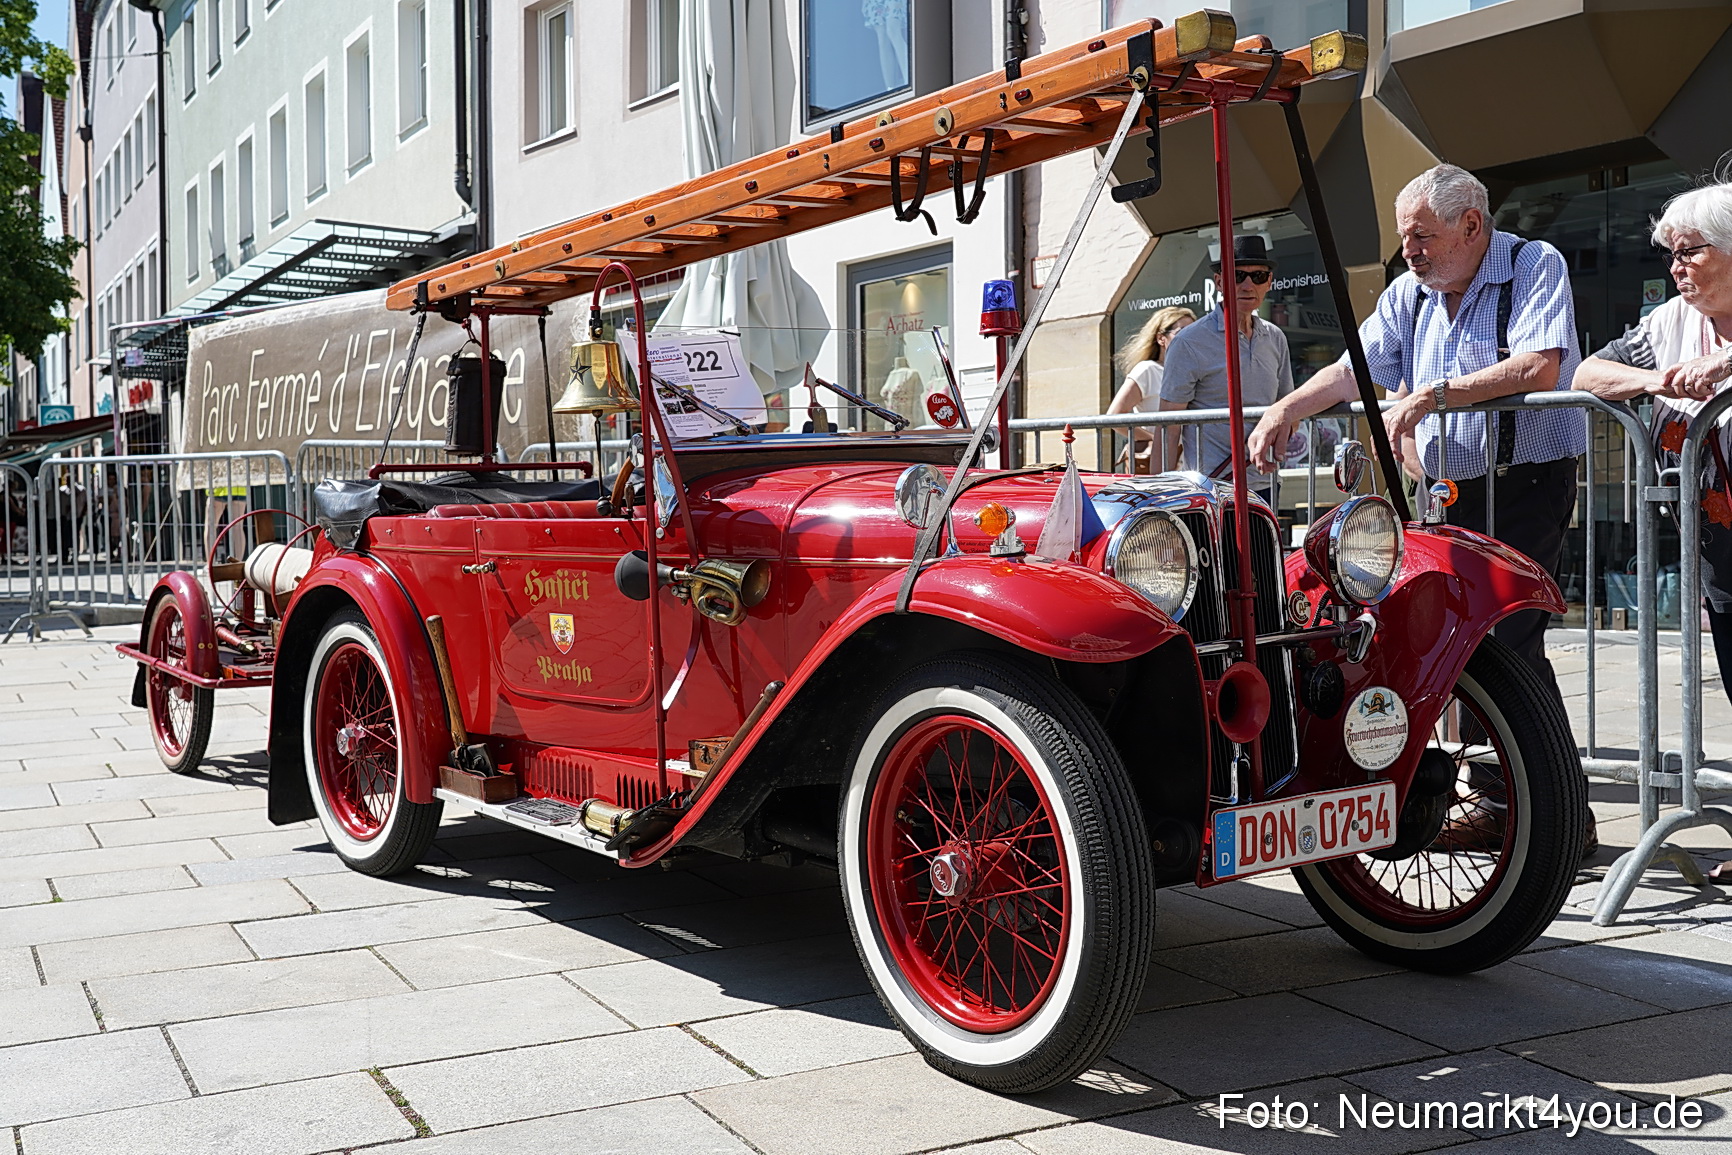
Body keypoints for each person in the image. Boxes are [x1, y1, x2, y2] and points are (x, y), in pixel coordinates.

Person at [1246, 163, 1593, 855]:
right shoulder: (1411, 294)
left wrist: (1434, 395)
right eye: (1406, 239)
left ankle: (1558, 819)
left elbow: (1540, 368)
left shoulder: (1532, 264)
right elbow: (1354, 369)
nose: (1410, 251)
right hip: (1447, 490)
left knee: (1510, 646)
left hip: (1523, 482)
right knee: (1453, 643)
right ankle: (1504, 801)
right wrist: (1286, 407)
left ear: (1472, 226)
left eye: (1421, 236)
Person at [1576, 179, 1732, 703]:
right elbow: (1587, 374)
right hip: (1720, 550)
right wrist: (1655, 380)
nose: (1675, 267)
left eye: (1689, 252)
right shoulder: (1672, 320)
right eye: (1671, 254)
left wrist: (1725, 362)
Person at [1159, 235, 1293, 504]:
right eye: (1238, 275)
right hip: (1211, 488)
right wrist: (1158, 496)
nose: (1247, 284)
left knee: (1266, 548)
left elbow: (1287, 407)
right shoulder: (1189, 342)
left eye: (1258, 276)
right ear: (1220, 282)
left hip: (1264, 483)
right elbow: (1167, 427)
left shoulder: (1275, 337)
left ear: (1269, 282)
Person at [1105, 305, 1195, 471]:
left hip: (1192, 464)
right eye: (1181, 332)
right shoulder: (1148, 370)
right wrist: (1157, 440)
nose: (1189, 339)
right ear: (1161, 338)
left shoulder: (1194, 372)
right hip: (1159, 464)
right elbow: (1115, 417)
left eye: (1194, 333)